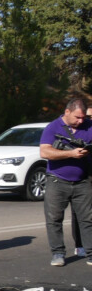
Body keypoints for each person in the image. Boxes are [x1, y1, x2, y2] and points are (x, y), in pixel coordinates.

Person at [39, 97, 92, 267]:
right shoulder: (53, 127)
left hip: (82, 181)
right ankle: (58, 253)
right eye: (77, 117)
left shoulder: (89, 127)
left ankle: (90, 252)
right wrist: (71, 154)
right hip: (57, 180)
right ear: (67, 112)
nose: (80, 120)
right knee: (54, 218)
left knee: (87, 219)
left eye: (83, 117)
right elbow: (45, 152)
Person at [69, 104, 92, 258]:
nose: (89, 120)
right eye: (89, 117)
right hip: (84, 175)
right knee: (81, 212)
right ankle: (80, 245)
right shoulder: (81, 130)